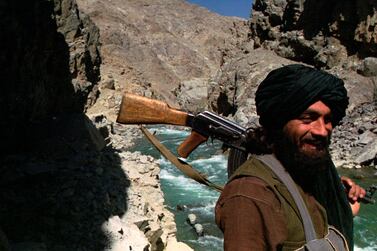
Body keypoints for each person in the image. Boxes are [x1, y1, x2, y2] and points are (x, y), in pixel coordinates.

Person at [215, 64, 366, 251]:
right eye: (308, 118)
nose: (322, 130)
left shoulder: (302, 178)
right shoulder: (251, 194)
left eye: (328, 120)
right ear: (279, 122)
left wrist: (341, 205)